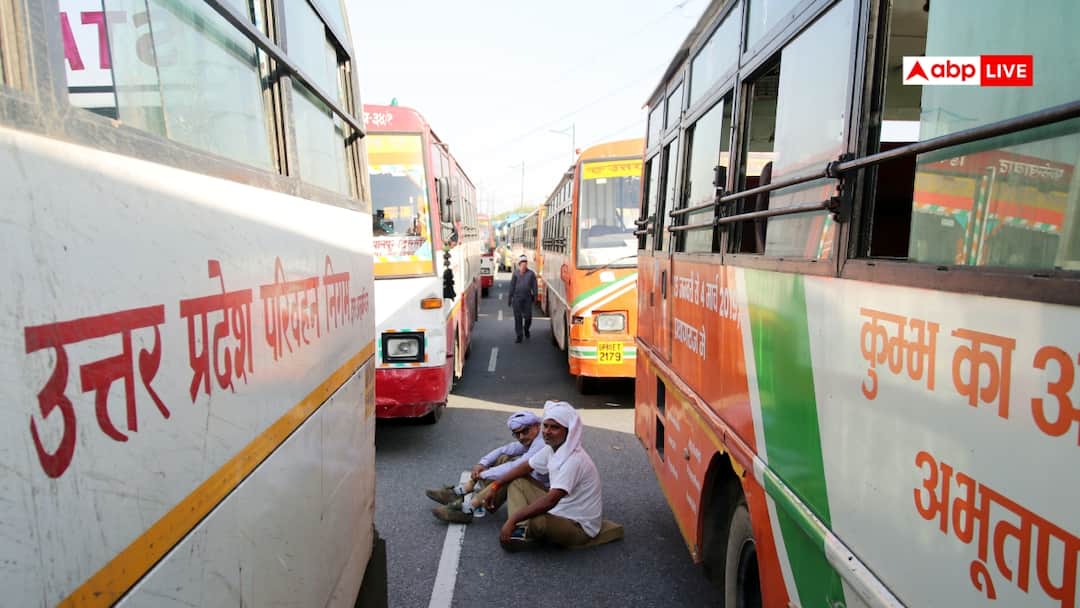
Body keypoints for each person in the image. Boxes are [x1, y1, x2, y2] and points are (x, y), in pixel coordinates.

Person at [485, 401, 619, 551]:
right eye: (546, 426)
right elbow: (525, 466)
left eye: (554, 427)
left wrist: (513, 519)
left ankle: (519, 528)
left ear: (568, 431)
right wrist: (495, 486)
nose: (547, 431)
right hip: (560, 510)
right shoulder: (553, 449)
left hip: (578, 525)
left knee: (537, 521)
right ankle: (520, 531)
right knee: (517, 481)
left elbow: (551, 500)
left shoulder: (574, 461)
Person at [426, 411, 548, 524]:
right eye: (517, 434)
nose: (521, 437)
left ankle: (468, 509)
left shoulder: (542, 443)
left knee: (513, 475)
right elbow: (504, 450)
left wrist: (483, 474)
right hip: (536, 484)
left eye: (525, 431)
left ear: (537, 426)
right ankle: (463, 491)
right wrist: (482, 464)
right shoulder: (535, 438)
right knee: (504, 457)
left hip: (545, 493)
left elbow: (516, 466)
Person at [508, 255, 537, 343]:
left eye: (525, 264)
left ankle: (526, 329)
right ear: (519, 264)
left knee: (528, 317)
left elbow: (534, 286)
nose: (524, 266)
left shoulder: (531, 274)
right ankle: (519, 335)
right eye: (522, 264)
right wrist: (510, 297)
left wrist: (535, 296)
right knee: (518, 318)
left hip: (527, 299)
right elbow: (512, 286)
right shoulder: (516, 274)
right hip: (517, 299)